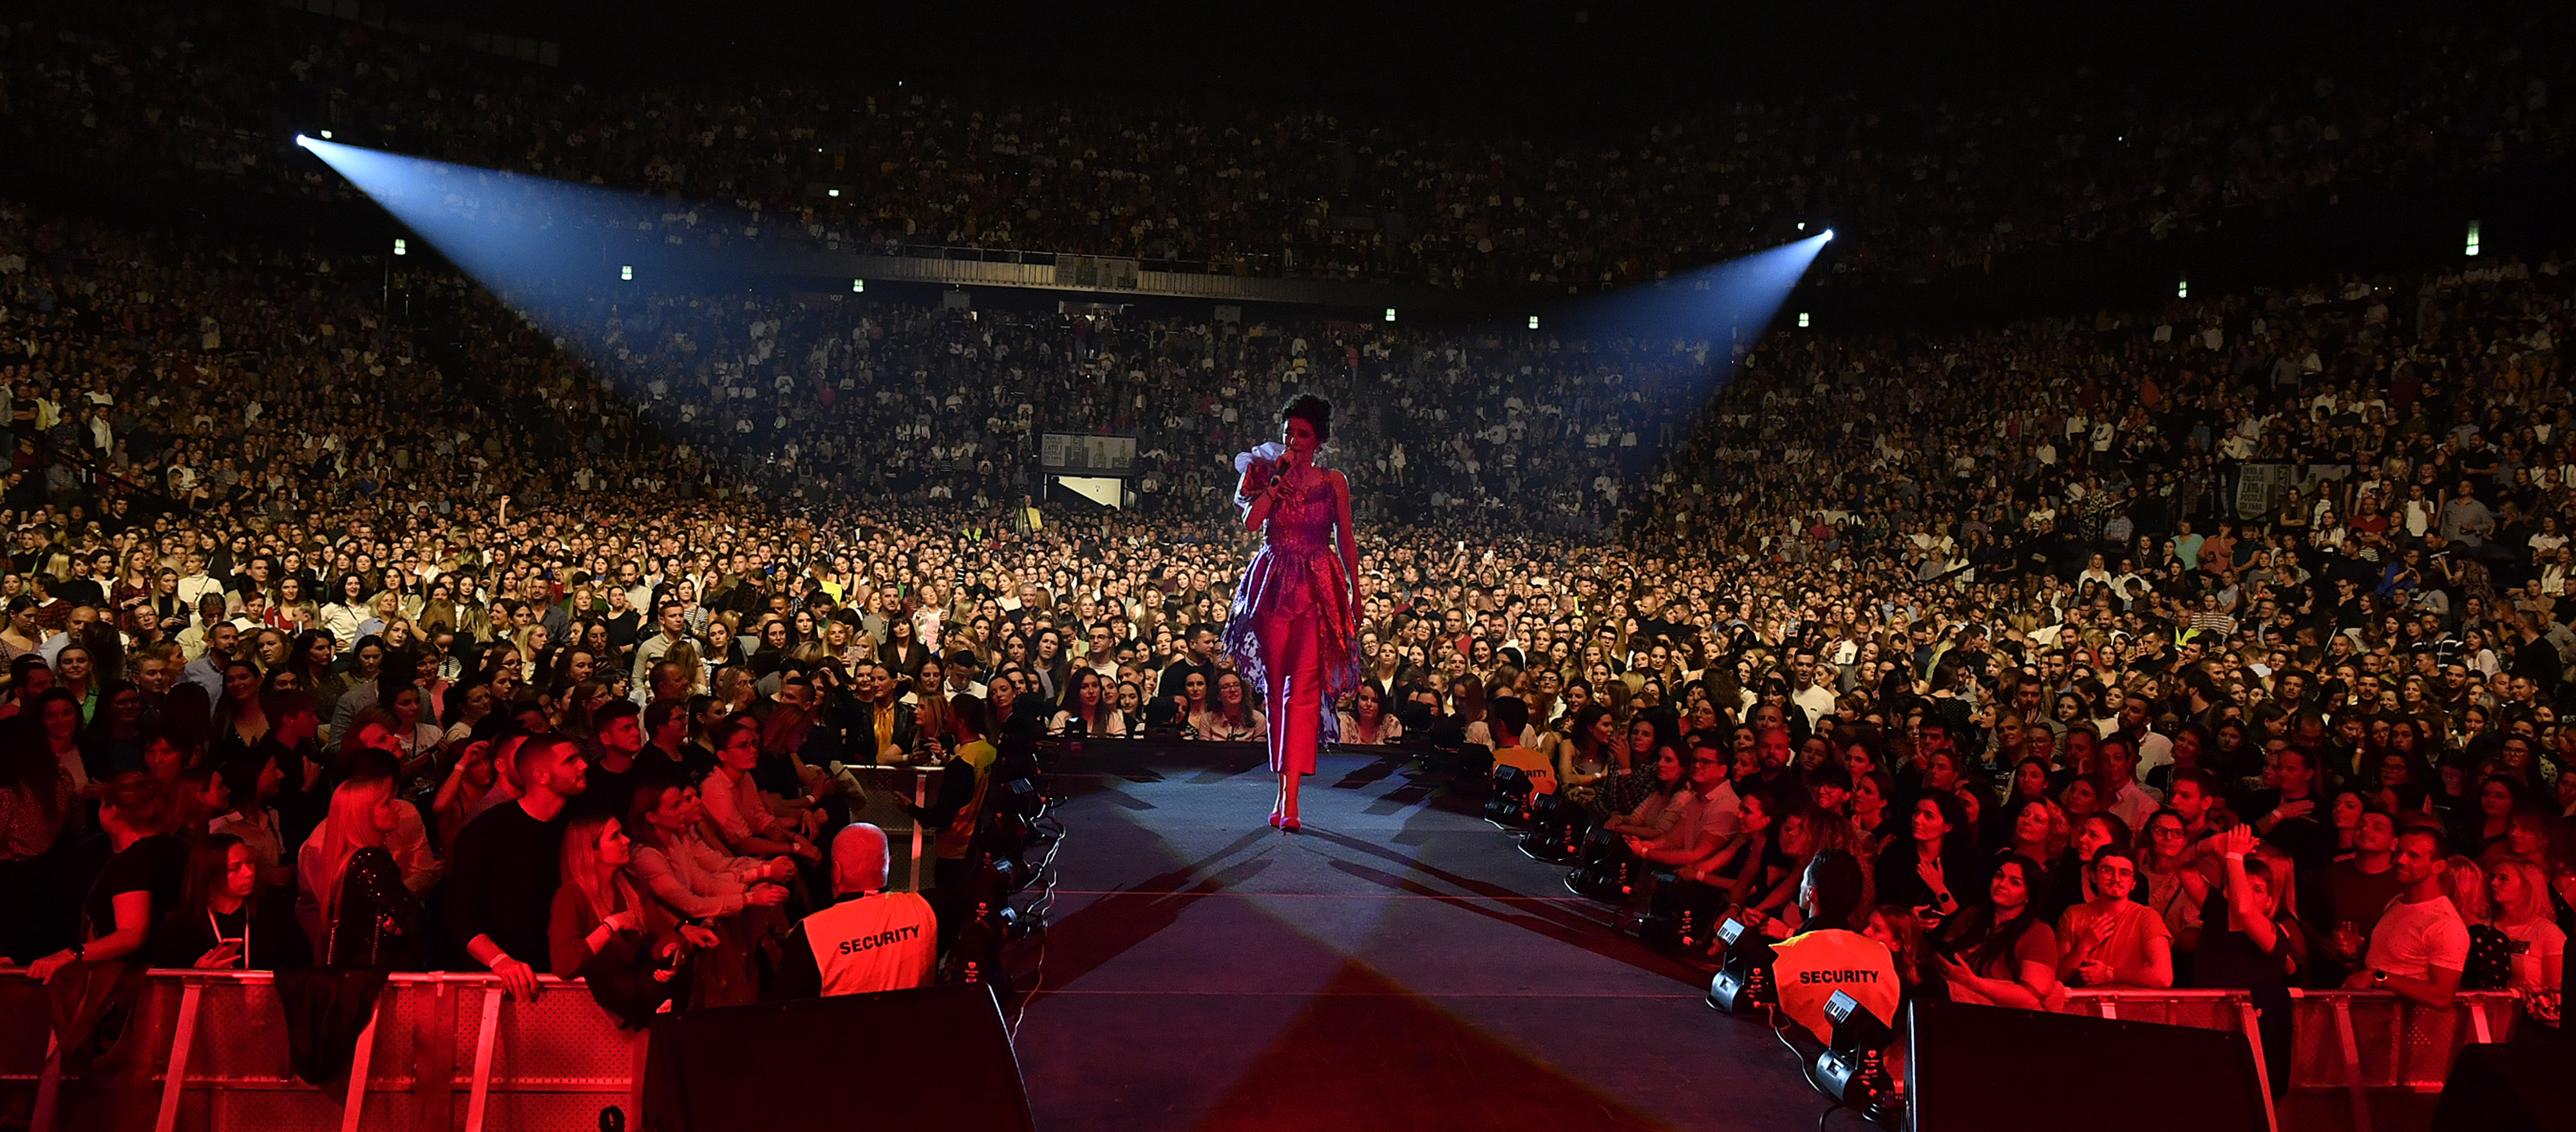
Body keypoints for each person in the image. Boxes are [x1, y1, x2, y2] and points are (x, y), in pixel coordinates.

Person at [1225, 395, 1359, 833]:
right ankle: (1280, 788)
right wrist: (1272, 485)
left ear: (1319, 440)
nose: (1293, 441)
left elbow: (1346, 540)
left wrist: (1356, 592)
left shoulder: (1334, 482)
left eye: (1303, 434)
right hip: (1273, 583)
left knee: (1303, 691)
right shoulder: (1262, 471)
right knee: (1276, 689)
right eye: (1288, 433)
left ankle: (1294, 797)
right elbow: (1251, 523)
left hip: (1317, 586)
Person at [446, 733, 588, 998]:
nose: (584, 765)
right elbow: (460, 915)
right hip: (502, 981)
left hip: (563, 972)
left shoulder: (578, 822)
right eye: (571, 761)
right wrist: (500, 960)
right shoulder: (486, 831)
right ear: (541, 776)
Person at [549, 811, 712, 1028]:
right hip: (593, 1016)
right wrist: (612, 925)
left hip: (641, 1003)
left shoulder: (631, 886)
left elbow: (663, 933)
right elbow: (563, 964)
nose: (626, 840)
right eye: (614, 837)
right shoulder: (570, 897)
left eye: (622, 833)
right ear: (592, 852)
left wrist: (672, 955)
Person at [25, 774, 186, 982]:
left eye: (102, 805)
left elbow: (132, 934)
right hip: (171, 971)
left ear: (112, 811)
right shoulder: (178, 849)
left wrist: (72, 954)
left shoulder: (131, 862)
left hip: (133, 980)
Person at [772, 823, 938, 998]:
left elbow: (783, 1007)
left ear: (837, 872)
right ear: (888, 864)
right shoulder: (926, 909)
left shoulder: (810, 934)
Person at [1766, 849, 1901, 1044]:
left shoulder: (1782, 955)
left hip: (1795, 1059)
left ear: (1811, 894)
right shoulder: (1882, 955)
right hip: (1866, 1060)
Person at [2342, 826, 2467, 1008]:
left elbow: (2442, 996)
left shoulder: (2445, 924)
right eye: (2399, 852)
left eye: (2414, 856)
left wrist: (2378, 977)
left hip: (2410, 1022)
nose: (2401, 860)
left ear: (2438, 867)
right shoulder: (2396, 902)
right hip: (2372, 1016)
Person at [152, 833, 310, 970]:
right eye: (235, 868)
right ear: (210, 876)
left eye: (250, 862)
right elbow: (166, 984)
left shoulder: (275, 913)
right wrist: (194, 974)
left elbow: (303, 969)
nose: (249, 873)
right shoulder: (183, 926)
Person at [1933, 852, 2061, 1010]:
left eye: (2015, 883)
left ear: (2029, 896)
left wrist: (1972, 982)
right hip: (1947, 1000)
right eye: (1999, 876)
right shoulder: (1972, 916)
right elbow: (1942, 958)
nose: (2002, 884)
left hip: (2000, 1014)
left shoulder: (2038, 932)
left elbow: (2031, 999)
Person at [2054, 848, 2174, 988]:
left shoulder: (2147, 916)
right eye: (2107, 871)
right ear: (2093, 876)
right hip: (2082, 1000)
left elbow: (2163, 977)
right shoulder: (2073, 914)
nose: (2116, 879)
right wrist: (2084, 946)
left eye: (2125, 873)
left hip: (2130, 1001)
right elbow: (2057, 976)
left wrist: (2109, 974)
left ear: (2134, 883)